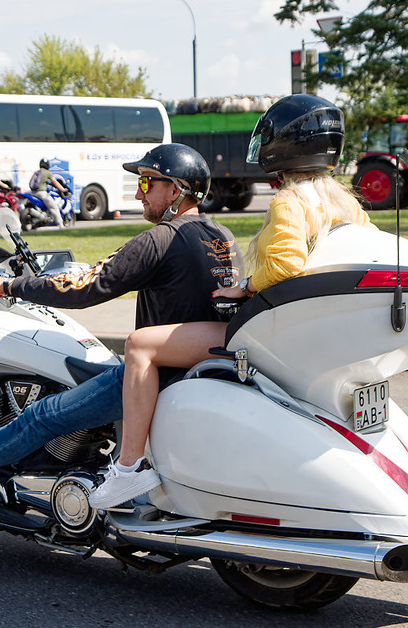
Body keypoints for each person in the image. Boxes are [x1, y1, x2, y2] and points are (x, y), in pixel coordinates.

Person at [0, 143, 242, 492]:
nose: (139, 192)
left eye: (146, 181)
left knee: (41, 416)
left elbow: (85, 287)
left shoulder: (161, 239)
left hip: (155, 374)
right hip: (200, 367)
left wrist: (11, 285)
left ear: (174, 191)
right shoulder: (222, 237)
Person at [86, 94, 375, 510]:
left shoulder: (290, 201)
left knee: (140, 343)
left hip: (277, 327)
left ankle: (128, 469)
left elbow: (287, 267)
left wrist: (246, 286)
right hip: (319, 326)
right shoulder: (345, 203)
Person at [29, 158, 71, 227]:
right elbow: (55, 182)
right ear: (47, 165)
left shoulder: (36, 172)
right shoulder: (46, 172)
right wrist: (63, 190)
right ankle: (61, 226)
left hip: (32, 193)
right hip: (42, 194)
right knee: (54, 208)